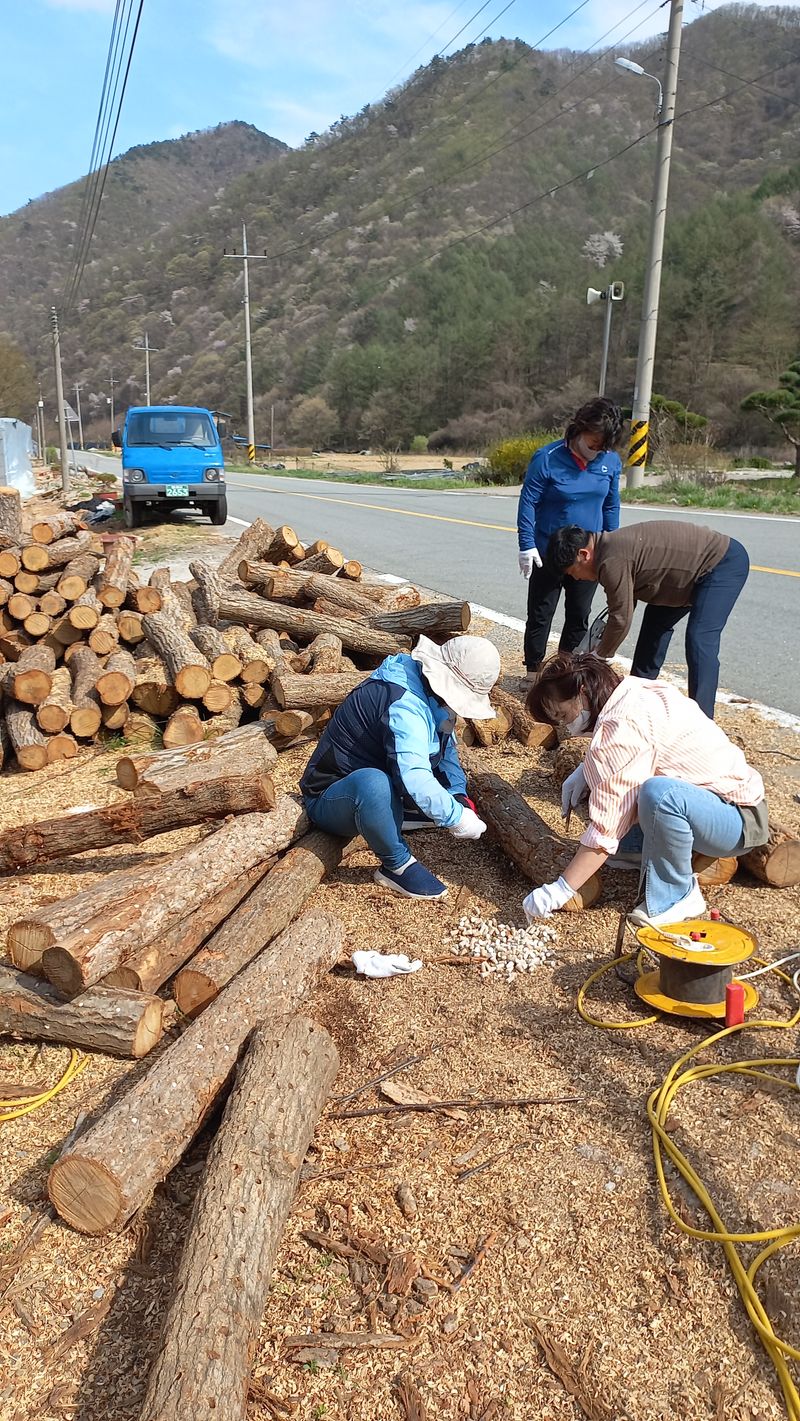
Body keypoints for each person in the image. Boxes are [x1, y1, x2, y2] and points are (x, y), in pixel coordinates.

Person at [520, 651, 768, 925]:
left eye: (564, 714)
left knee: (660, 796)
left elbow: (605, 830)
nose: (566, 727)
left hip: (738, 820)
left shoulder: (621, 727)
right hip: (719, 806)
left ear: (582, 692)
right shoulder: (631, 689)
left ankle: (678, 894)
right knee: (629, 793)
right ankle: (639, 851)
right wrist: (586, 769)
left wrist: (562, 889)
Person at [300, 634, 501, 902]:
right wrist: (456, 816)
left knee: (407, 792)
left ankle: (390, 817)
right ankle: (396, 865)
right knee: (374, 785)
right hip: (332, 796)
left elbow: (447, 745)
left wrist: (457, 793)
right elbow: (414, 778)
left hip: (385, 786)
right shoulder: (404, 702)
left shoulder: (425, 687)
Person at [544, 520, 750, 720]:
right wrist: (599, 646)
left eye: (573, 572)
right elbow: (623, 606)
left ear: (583, 554)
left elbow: (621, 617)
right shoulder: (608, 550)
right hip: (676, 582)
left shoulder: (611, 559)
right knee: (652, 631)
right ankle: (637, 703)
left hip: (720, 564)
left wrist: (599, 656)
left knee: (699, 639)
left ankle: (703, 720)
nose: (577, 579)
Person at [517, 398, 622, 690]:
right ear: (579, 428)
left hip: (589, 554)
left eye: (603, 447)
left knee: (579, 615)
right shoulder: (547, 457)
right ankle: (534, 670)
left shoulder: (610, 461)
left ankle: (565, 668)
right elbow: (529, 502)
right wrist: (526, 544)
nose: (596, 451)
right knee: (541, 613)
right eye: (593, 443)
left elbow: (611, 505)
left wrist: (612, 544)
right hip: (549, 551)